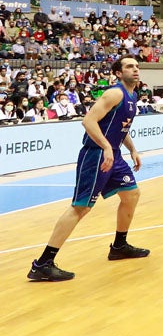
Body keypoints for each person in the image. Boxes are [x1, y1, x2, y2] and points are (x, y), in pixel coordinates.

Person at [27, 56, 150, 282]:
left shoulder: (132, 95)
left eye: (137, 66)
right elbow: (89, 121)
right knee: (81, 207)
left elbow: (120, 127)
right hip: (96, 155)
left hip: (113, 154)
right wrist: (106, 148)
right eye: (129, 66)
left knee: (131, 194)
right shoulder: (115, 93)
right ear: (118, 72)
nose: (135, 70)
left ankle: (119, 246)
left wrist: (132, 149)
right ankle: (43, 263)